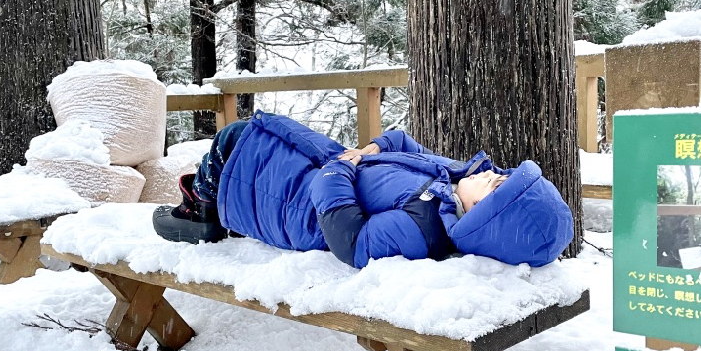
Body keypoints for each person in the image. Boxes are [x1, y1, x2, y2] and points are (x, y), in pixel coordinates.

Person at [152, 112, 574, 269]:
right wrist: (372, 148)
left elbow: (351, 242)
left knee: (233, 142)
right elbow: (406, 145)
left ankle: (202, 209)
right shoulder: (450, 182)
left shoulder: (424, 225)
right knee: (254, 130)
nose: (493, 172)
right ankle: (211, 199)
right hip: (330, 168)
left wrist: (335, 174)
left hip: (301, 205)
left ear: (486, 212)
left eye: (498, 183)